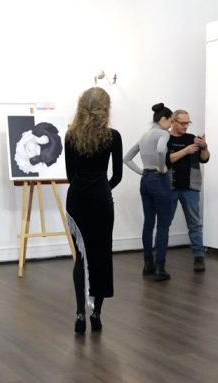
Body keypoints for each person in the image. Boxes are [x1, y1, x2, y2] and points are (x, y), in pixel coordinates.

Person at [64, 87, 123, 334]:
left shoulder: (71, 136)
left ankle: (80, 314)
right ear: (105, 108)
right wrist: (103, 188)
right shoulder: (113, 136)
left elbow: (70, 175)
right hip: (101, 200)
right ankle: (95, 313)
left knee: (81, 257)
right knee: (101, 255)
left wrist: (84, 187)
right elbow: (117, 175)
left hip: (77, 199)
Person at [123, 103, 174, 281]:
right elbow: (160, 150)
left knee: (148, 223)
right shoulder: (163, 133)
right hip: (159, 180)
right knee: (163, 225)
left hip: (145, 180)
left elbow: (126, 158)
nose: (171, 126)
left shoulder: (144, 136)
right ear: (164, 119)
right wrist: (162, 167)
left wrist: (142, 172)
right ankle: (160, 268)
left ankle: (147, 264)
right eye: (171, 121)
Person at [166, 110, 210, 272]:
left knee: (195, 223)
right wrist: (186, 151)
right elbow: (166, 160)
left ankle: (199, 256)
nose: (186, 126)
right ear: (173, 122)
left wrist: (204, 147)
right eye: (183, 123)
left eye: (188, 123)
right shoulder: (165, 138)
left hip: (191, 187)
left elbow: (205, 158)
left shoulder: (192, 138)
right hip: (169, 186)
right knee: (165, 223)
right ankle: (160, 257)